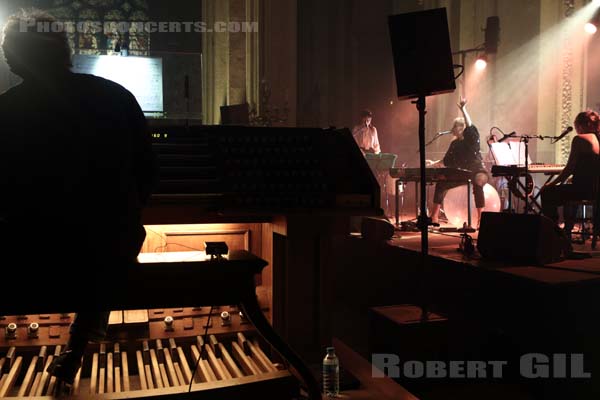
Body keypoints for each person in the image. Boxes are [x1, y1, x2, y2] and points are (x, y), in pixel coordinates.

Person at [0, 9, 158, 385]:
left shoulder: (5, 110)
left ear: (20, 54)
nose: (4, 55)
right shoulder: (116, 96)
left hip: (32, 252)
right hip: (109, 250)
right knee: (111, 240)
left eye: (7, 48)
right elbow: (147, 173)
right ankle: (82, 334)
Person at [427, 97, 488, 225]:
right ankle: (434, 217)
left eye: (454, 126)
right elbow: (447, 160)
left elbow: (470, 126)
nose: (452, 129)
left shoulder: (470, 138)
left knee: (478, 180)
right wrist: (432, 163)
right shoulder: (454, 143)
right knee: (441, 183)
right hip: (462, 173)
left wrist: (463, 109)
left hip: (477, 170)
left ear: (461, 128)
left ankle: (481, 220)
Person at [541, 110, 600, 236]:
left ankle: (554, 234)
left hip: (583, 190)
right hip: (595, 191)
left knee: (547, 193)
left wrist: (552, 184)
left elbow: (569, 169)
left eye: (577, 126)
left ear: (582, 125)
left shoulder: (580, 139)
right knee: (568, 188)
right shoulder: (598, 139)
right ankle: (567, 231)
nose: (577, 130)